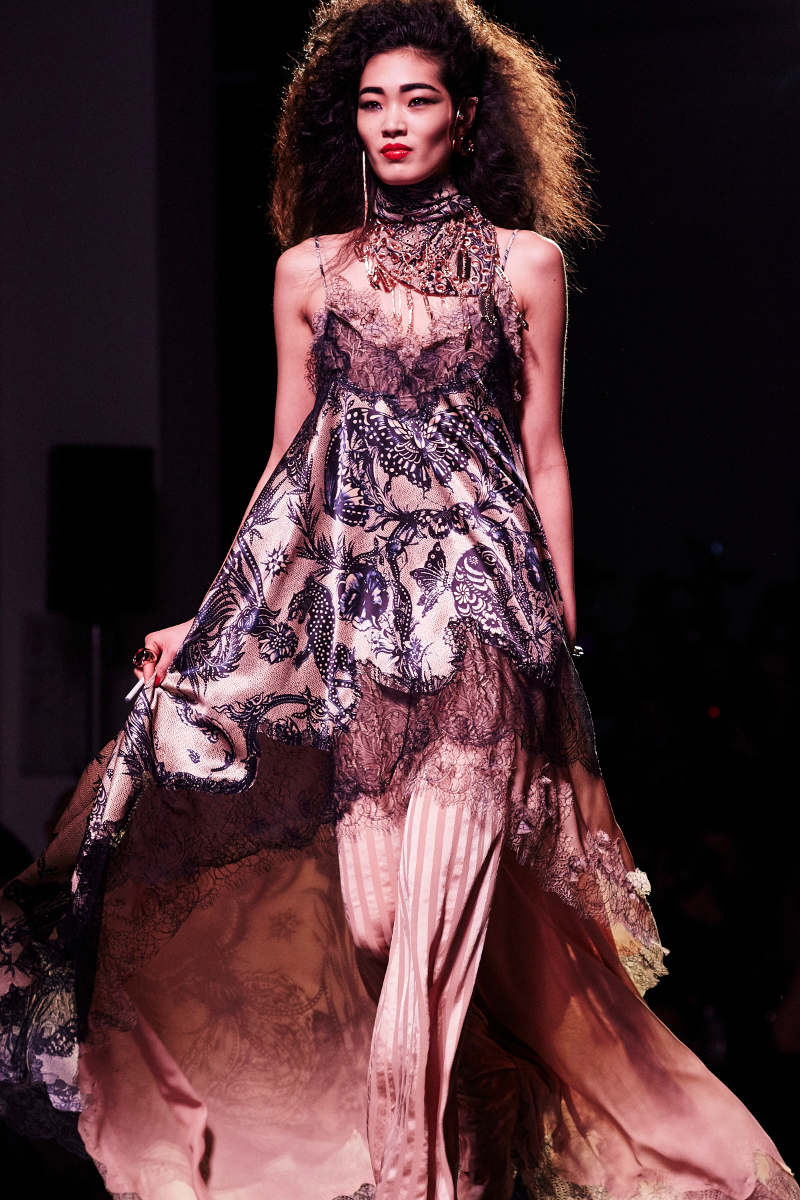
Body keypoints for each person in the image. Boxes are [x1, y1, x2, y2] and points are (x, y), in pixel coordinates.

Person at [1, 2, 797, 1198]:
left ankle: (420, 1179)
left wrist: (556, 632)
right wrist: (212, 616)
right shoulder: (310, 273)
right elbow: (286, 470)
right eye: (372, 102)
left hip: (483, 619)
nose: (391, 122)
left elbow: (542, 453)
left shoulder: (523, 266)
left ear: (462, 115)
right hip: (356, 631)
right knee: (376, 929)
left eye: (416, 99)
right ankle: (498, 1134)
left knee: (426, 949)